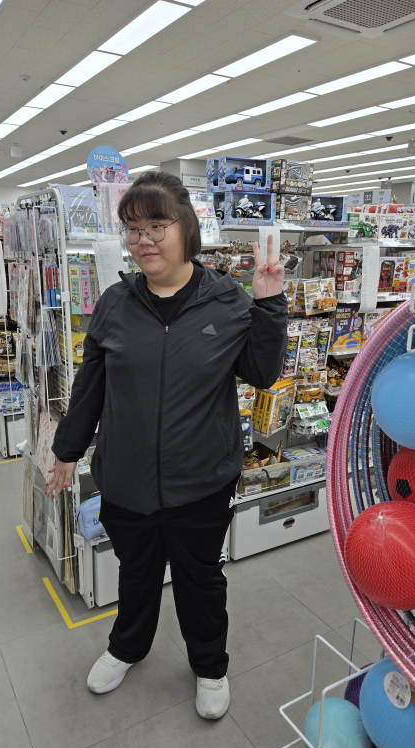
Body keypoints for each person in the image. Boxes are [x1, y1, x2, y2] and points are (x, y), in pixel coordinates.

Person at [48, 171, 287, 719]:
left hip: (202, 480)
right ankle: (126, 648)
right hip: (126, 479)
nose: (144, 240)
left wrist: (269, 304)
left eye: (158, 226)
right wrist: (66, 451)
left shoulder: (227, 300)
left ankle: (210, 666)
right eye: (134, 229)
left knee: (201, 580)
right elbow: (90, 388)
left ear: (186, 229)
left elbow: (263, 373)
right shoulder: (115, 303)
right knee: (135, 573)